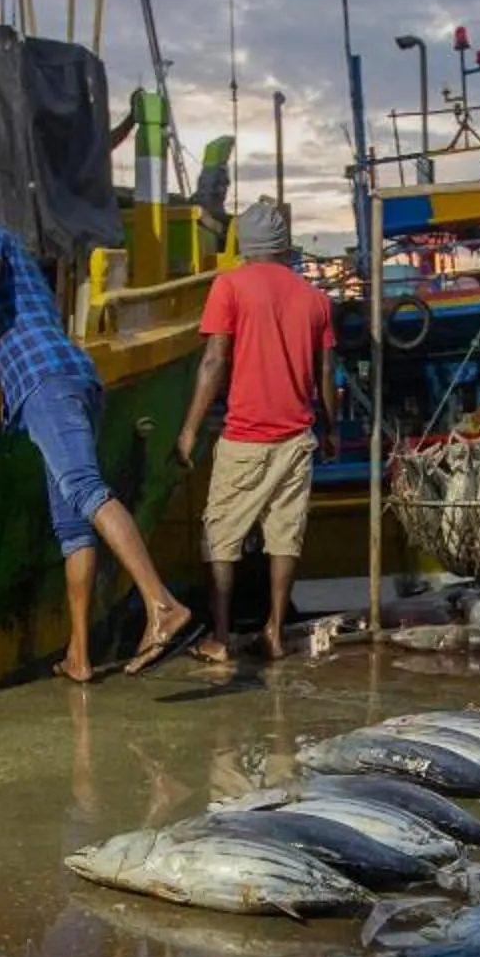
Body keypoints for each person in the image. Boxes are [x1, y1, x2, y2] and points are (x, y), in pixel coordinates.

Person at [0, 170, 196, 681]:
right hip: (71, 378)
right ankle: (78, 654)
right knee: (72, 527)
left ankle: (161, 604)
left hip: (45, 382)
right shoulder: (7, 243)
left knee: (85, 488)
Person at [176, 198, 336, 666]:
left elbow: (214, 360)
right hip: (296, 437)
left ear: (244, 245)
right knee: (285, 535)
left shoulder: (228, 286)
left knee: (220, 535)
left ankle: (222, 638)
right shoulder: (315, 299)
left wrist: (188, 429)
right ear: (284, 245)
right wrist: (327, 428)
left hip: (245, 437)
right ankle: (274, 630)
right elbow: (327, 372)